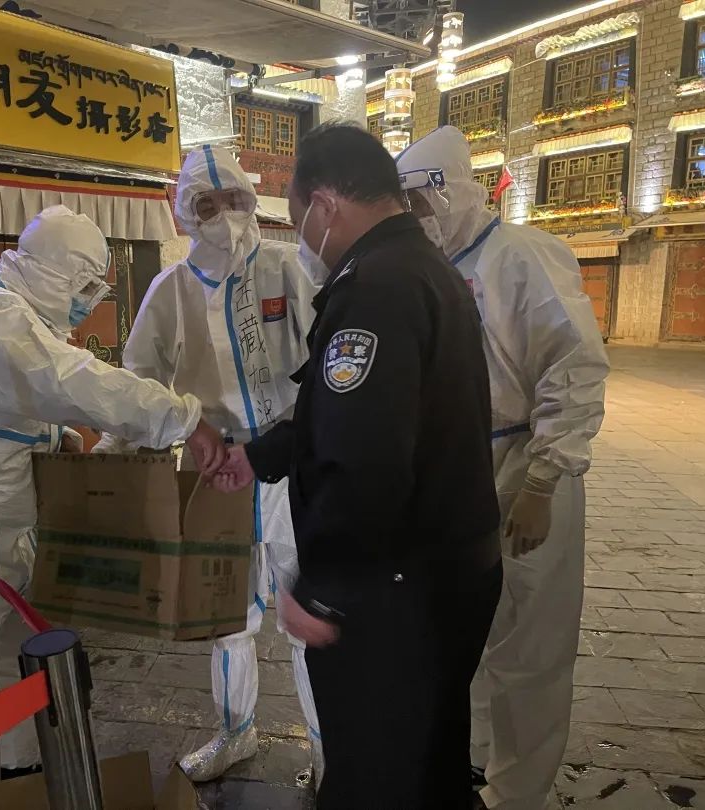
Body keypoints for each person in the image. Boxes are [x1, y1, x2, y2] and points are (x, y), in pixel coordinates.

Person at [0, 206, 225, 803]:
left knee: (13, 658)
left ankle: (17, 779)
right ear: (54, 274)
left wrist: (63, 444)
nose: (87, 305)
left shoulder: (16, 311)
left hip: (2, 525)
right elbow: (69, 381)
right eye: (83, 290)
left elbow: (10, 411)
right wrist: (183, 417)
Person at [211, 122, 503, 809]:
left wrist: (325, 589)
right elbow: (343, 407)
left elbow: (364, 453)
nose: (302, 239)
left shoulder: (374, 288)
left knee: (374, 776)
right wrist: (258, 457)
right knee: (427, 762)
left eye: (298, 221)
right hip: (444, 574)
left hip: (393, 593)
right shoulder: (422, 268)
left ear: (325, 204)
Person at [93, 144, 323, 783]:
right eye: (206, 204)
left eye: (233, 199)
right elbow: (140, 380)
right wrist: (113, 449)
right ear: (184, 213)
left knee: (307, 609)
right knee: (224, 616)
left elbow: (326, 359)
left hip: (290, 461)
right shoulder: (170, 290)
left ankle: (328, 750)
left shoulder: (287, 269)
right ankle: (235, 732)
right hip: (213, 466)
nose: (223, 214)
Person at [397, 127, 608, 810]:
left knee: (530, 636)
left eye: (421, 201)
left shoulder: (521, 256)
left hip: (524, 458)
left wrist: (544, 479)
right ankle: (479, 758)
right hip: (458, 467)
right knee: (470, 628)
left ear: (455, 191)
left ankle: (519, 792)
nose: (416, 216)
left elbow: (573, 366)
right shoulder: (425, 269)